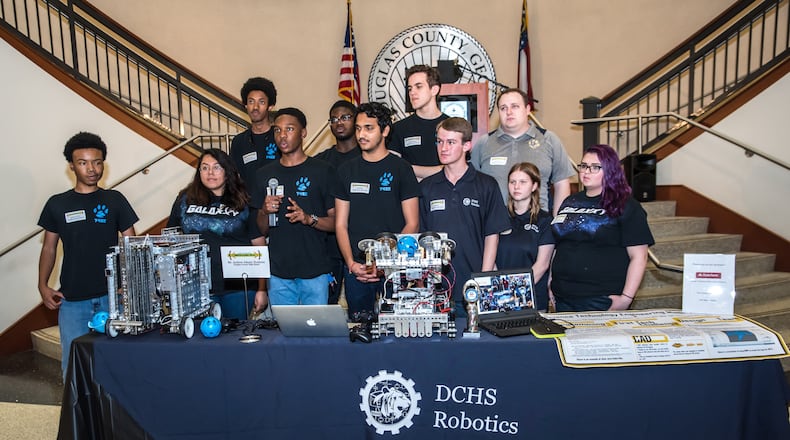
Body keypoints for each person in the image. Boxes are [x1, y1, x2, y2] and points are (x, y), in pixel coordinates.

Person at [37, 132, 139, 377]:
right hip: (73, 302)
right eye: (83, 163)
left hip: (112, 298)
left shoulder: (114, 200)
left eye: (97, 162)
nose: (91, 168)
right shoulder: (57, 204)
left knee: (118, 365)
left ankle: (114, 415)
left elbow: (132, 244)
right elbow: (49, 248)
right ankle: (79, 416)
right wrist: (42, 285)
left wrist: (130, 283)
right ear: (72, 166)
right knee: (74, 367)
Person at [335, 102, 420, 318]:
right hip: (358, 270)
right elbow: (340, 224)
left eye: (369, 128)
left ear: (385, 130)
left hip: (395, 268)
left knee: (398, 331)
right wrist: (351, 264)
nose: (361, 134)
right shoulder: (346, 171)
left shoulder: (402, 168)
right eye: (358, 128)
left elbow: (412, 223)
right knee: (359, 332)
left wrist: (386, 264)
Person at [419, 117, 510, 316]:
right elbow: (421, 238)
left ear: (467, 145)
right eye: (440, 141)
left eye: (451, 142)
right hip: (435, 289)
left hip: (472, 286)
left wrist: (483, 280)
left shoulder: (486, 185)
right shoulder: (427, 187)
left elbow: (492, 234)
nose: (443, 148)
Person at [550, 144, 655, 312]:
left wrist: (626, 299)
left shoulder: (626, 205)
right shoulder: (570, 201)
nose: (586, 171)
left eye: (595, 167)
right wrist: (550, 282)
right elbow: (559, 244)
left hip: (601, 298)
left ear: (609, 170)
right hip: (562, 294)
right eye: (583, 166)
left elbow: (639, 257)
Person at [167, 148, 267, 320]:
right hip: (195, 287)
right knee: (198, 342)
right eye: (205, 168)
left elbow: (259, 245)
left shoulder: (243, 201)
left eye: (217, 167)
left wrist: (262, 289)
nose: (210, 173)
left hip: (237, 288)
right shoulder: (184, 200)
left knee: (234, 340)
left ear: (227, 172)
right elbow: (170, 240)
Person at [253, 108, 336, 305]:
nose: (282, 135)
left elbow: (336, 224)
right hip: (278, 275)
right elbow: (261, 230)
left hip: (315, 273)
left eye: (289, 129)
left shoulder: (324, 171)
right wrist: (264, 211)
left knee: (316, 335)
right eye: (277, 130)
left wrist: (309, 219)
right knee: (282, 335)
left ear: (303, 132)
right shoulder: (264, 175)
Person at [470, 88, 576, 216]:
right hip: (494, 226)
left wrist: (558, 222)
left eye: (515, 106)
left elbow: (561, 184)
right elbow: (471, 185)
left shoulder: (549, 139)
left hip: (538, 225)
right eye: (503, 108)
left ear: (527, 110)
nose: (509, 112)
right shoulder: (484, 143)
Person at [315, 100, 361, 305]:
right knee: (326, 305)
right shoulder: (320, 162)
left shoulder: (367, 156)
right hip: (329, 248)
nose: (339, 122)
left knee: (362, 311)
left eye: (345, 117)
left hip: (360, 245)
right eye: (334, 119)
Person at [495, 162, 555, 311]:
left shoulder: (544, 220)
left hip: (531, 296)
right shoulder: (497, 216)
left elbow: (542, 265)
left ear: (534, 186)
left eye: (523, 182)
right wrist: (501, 290)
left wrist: (516, 291)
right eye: (512, 182)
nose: (516, 187)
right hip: (500, 296)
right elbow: (490, 257)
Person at [388, 65, 449, 180]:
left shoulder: (452, 126)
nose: (412, 93)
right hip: (410, 195)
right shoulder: (398, 128)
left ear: (434, 90)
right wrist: (440, 170)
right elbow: (393, 167)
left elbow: (455, 169)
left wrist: (409, 168)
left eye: (418, 87)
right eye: (410, 88)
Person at [229, 77, 279, 191]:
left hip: (279, 203)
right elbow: (234, 177)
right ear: (246, 105)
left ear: (270, 106)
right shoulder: (239, 141)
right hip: (249, 205)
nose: (255, 107)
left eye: (261, 102)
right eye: (251, 101)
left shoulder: (280, 137)